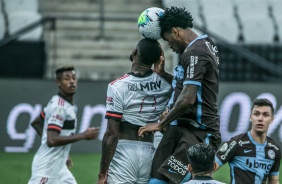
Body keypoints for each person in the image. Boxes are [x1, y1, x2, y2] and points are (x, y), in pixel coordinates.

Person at [138, 6, 221, 184]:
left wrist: (160, 124)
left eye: (168, 40)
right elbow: (189, 87)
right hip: (179, 128)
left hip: (198, 132)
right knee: (156, 180)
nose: (169, 46)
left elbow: (188, 98)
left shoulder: (195, 53)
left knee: (173, 180)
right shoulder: (203, 45)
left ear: (175, 32)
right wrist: (165, 75)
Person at [97, 38, 172, 184]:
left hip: (124, 152)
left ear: (134, 52)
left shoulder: (117, 86)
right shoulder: (166, 84)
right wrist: (163, 73)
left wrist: (102, 173)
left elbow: (111, 134)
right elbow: (184, 89)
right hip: (150, 151)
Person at [28, 66, 100, 184]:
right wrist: (83, 135)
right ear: (58, 83)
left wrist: (61, 150)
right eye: (66, 79)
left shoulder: (60, 102)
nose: (72, 81)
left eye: (74, 78)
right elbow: (51, 140)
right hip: (47, 169)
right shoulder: (59, 107)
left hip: (60, 168)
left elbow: (36, 123)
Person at [215, 98, 281, 184]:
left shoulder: (274, 149)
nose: (260, 118)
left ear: (272, 119)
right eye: (256, 114)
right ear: (250, 117)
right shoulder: (236, 143)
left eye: (265, 115)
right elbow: (209, 169)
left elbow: (274, 181)